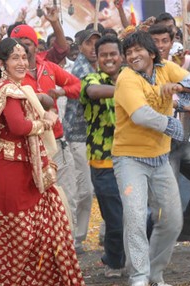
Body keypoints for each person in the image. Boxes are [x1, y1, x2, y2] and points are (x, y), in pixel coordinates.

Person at [0, 37, 92, 286]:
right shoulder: (6, 90)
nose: (20, 62)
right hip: (10, 174)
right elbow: (18, 126)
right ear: (1, 64)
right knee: (18, 238)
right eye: (13, 58)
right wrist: (47, 121)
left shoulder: (18, 88)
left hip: (28, 170)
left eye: (23, 57)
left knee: (41, 234)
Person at [111, 31, 190, 286]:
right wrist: (171, 124)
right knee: (135, 214)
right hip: (129, 158)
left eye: (138, 50)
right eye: (128, 52)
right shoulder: (126, 78)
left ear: (152, 53)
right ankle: (138, 278)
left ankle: (154, 276)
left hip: (161, 158)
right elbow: (140, 115)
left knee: (172, 219)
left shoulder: (165, 68)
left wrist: (179, 89)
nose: (133, 55)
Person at [10, 24, 81, 253]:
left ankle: (66, 250)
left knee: (68, 196)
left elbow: (77, 86)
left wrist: (60, 92)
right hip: (30, 146)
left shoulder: (48, 68)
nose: (22, 51)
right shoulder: (9, 77)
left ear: (35, 46)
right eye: (17, 47)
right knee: (37, 202)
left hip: (58, 142)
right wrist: (37, 100)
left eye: (26, 45)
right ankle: (42, 253)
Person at [149, 23, 190, 244]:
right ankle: (151, 247)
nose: (161, 45)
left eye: (165, 41)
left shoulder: (173, 65)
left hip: (178, 142)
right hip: (154, 144)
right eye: (155, 41)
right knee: (164, 201)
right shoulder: (137, 70)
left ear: (172, 42)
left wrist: (182, 102)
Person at [80, 35, 125, 277]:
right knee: (115, 219)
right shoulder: (91, 78)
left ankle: (128, 256)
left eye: (113, 54)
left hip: (134, 159)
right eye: (104, 55)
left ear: (121, 56)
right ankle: (115, 261)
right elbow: (94, 92)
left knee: (144, 216)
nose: (109, 59)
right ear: (97, 57)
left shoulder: (132, 77)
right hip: (103, 161)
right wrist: (127, 90)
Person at [63, 29, 102, 254]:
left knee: (97, 189)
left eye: (97, 43)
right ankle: (75, 239)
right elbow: (92, 92)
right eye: (89, 43)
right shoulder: (81, 68)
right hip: (77, 136)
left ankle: (83, 237)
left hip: (96, 137)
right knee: (83, 190)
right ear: (80, 47)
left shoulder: (99, 66)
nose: (93, 48)